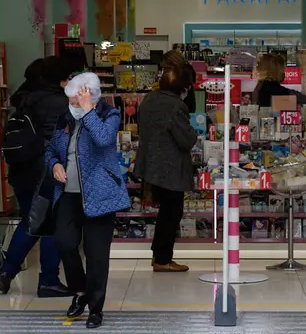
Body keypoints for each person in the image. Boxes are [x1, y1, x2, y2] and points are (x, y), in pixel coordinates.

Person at [46, 72, 130, 329]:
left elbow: (104, 139)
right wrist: (54, 164)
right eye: (70, 101)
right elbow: (50, 149)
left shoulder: (108, 114)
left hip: (100, 195)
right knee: (64, 242)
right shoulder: (64, 118)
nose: (71, 106)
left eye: (75, 100)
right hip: (68, 194)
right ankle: (80, 291)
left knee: (96, 255)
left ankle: (95, 308)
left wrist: (88, 111)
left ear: (89, 96)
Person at [0, 57, 73, 297]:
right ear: (59, 79)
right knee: (51, 225)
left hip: (21, 172)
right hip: (46, 172)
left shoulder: (24, 98)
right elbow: (59, 140)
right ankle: (48, 280)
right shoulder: (59, 103)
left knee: (31, 222)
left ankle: (7, 272)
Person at [134, 64, 198, 273]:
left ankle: (158, 255)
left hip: (150, 164)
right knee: (171, 213)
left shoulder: (149, 99)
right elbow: (185, 139)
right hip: (170, 167)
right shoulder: (175, 106)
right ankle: (163, 259)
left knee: (164, 214)